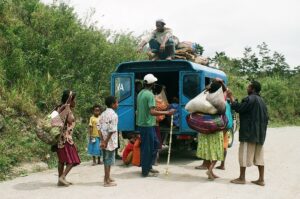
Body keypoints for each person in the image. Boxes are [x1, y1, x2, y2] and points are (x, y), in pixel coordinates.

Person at [228, 80, 268, 186]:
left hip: (249, 134)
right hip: (260, 134)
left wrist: (231, 96)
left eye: (249, 87)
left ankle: (242, 178)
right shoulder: (262, 101)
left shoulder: (250, 99)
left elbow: (239, 108)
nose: (247, 88)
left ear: (253, 89)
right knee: (259, 157)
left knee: (243, 155)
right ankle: (261, 179)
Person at [136, 73, 175, 177]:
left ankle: (149, 167)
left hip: (145, 124)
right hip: (147, 125)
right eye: (154, 83)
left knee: (154, 145)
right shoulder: (150, 95)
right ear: (152, 84)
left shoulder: (141, 93)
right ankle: (145, 171)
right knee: (148, 148)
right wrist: (167, 113)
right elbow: (152, 112)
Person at [196, 80, 226, 180]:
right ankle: (210, 170)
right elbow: (223, 111)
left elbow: (203, 92)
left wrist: (209, 86)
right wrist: (221, 83)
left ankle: (211, 173)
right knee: (217, 151)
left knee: (207, 152)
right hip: (215, 127)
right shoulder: (219, 99)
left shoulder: (204, 97)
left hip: (204, 127)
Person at [56, 90, 81, 186]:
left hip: (58, 139)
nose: (75, 102)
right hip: (66, 139)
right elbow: (70, 120)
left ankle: (60, 180)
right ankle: (62, 177)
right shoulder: (67, 109)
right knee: (73, 160)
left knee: (61, 160)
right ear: (70, 100)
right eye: (74, 100)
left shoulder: (58, 107)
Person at [99, 96, 119, 187]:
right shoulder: (114, 115)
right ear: (112, 104)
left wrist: (102, 140)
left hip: (104, 140)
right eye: (116, 103)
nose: (117, 104)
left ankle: (107, 177)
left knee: (107, 159)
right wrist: (106, 141)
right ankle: (106, 181)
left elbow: (98, 128)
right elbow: (112, 130)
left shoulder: (102, 114)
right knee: (108, 160)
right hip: (109, 141)